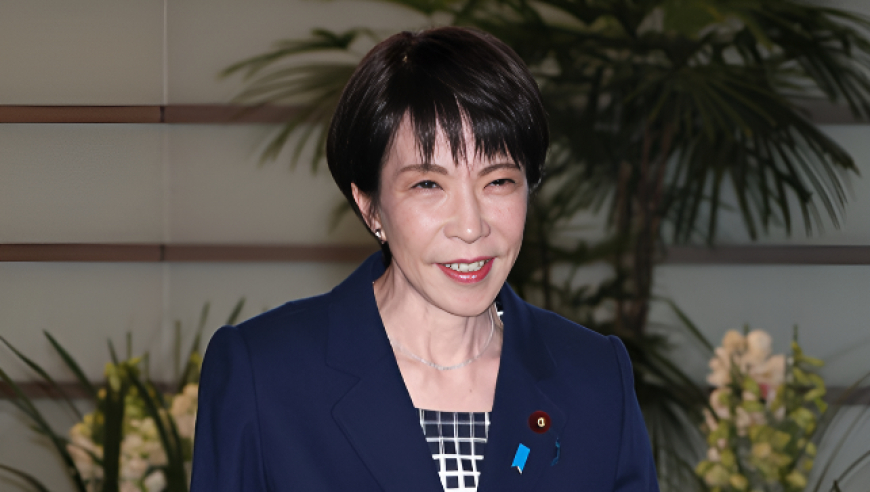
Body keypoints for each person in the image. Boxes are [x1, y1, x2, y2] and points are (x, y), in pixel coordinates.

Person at [191, 27, 659, 492]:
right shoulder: (265, 375)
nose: (471, 227)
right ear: (369, 206)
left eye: (498, 182)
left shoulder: (595, 378)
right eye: (428, 185)